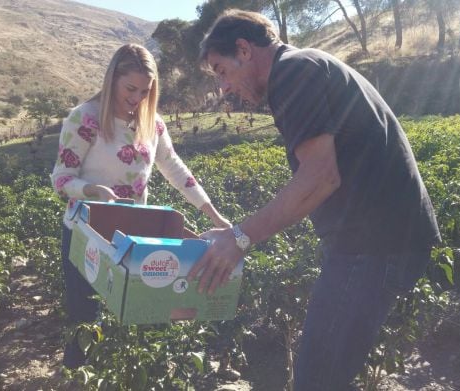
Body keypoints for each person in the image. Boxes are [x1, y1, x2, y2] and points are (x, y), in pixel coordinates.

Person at [187, 10, 441, 390]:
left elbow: (319, 177)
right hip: (377, 240)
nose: (223, 87)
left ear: (244, 49)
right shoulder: (303, 67)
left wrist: (239, 238)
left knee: (317, 380)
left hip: (371, 245)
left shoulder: (292, 72)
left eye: (222, 71)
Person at [51, 43, 230, 369]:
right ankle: (78, 379)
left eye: (145, 91)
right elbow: (61, 180)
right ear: (112, 80)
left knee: (132, 319)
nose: (137, 98)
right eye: (130, 88)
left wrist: (213, 213)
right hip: (87, 237)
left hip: (132, 242)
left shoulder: (152, 124)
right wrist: (94, 190)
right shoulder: (85, 118)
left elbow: (175, 169)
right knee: (86, 321)